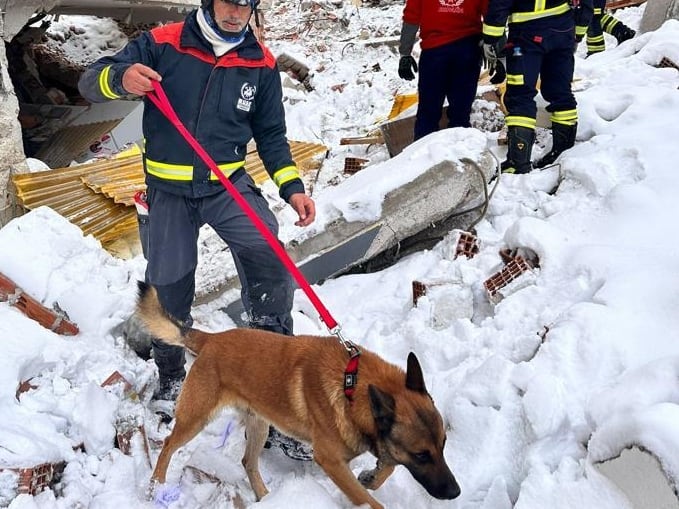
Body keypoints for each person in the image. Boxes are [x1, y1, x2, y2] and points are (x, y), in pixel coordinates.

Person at [78, 0, 316, 459]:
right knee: (169, 280)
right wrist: (120, 78)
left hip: (226, 184)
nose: (235, 13)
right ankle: (170, 372)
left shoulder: (259, 62)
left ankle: (275, 378)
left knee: (269, 253)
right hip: (168, 190)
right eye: (228, 1)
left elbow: (270, 135)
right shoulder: (164, 44)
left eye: (245, 5)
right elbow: (90, 81)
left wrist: (294, 188)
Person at [482, 0, 593, 173]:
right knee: (561, 92)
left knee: (520, 94)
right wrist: (578, 32)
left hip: (525, 34)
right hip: (563, 30)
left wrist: (491, 38)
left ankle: (518, 162)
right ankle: (562, 154)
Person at [397, 0, 489, 141]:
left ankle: (423, 156)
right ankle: (459, 155)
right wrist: (495, 48)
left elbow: (411, 16)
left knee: (428, 112)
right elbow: (491, 14)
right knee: (460, 112)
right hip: (467, 51)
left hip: (435, 53)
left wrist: (405, 52)